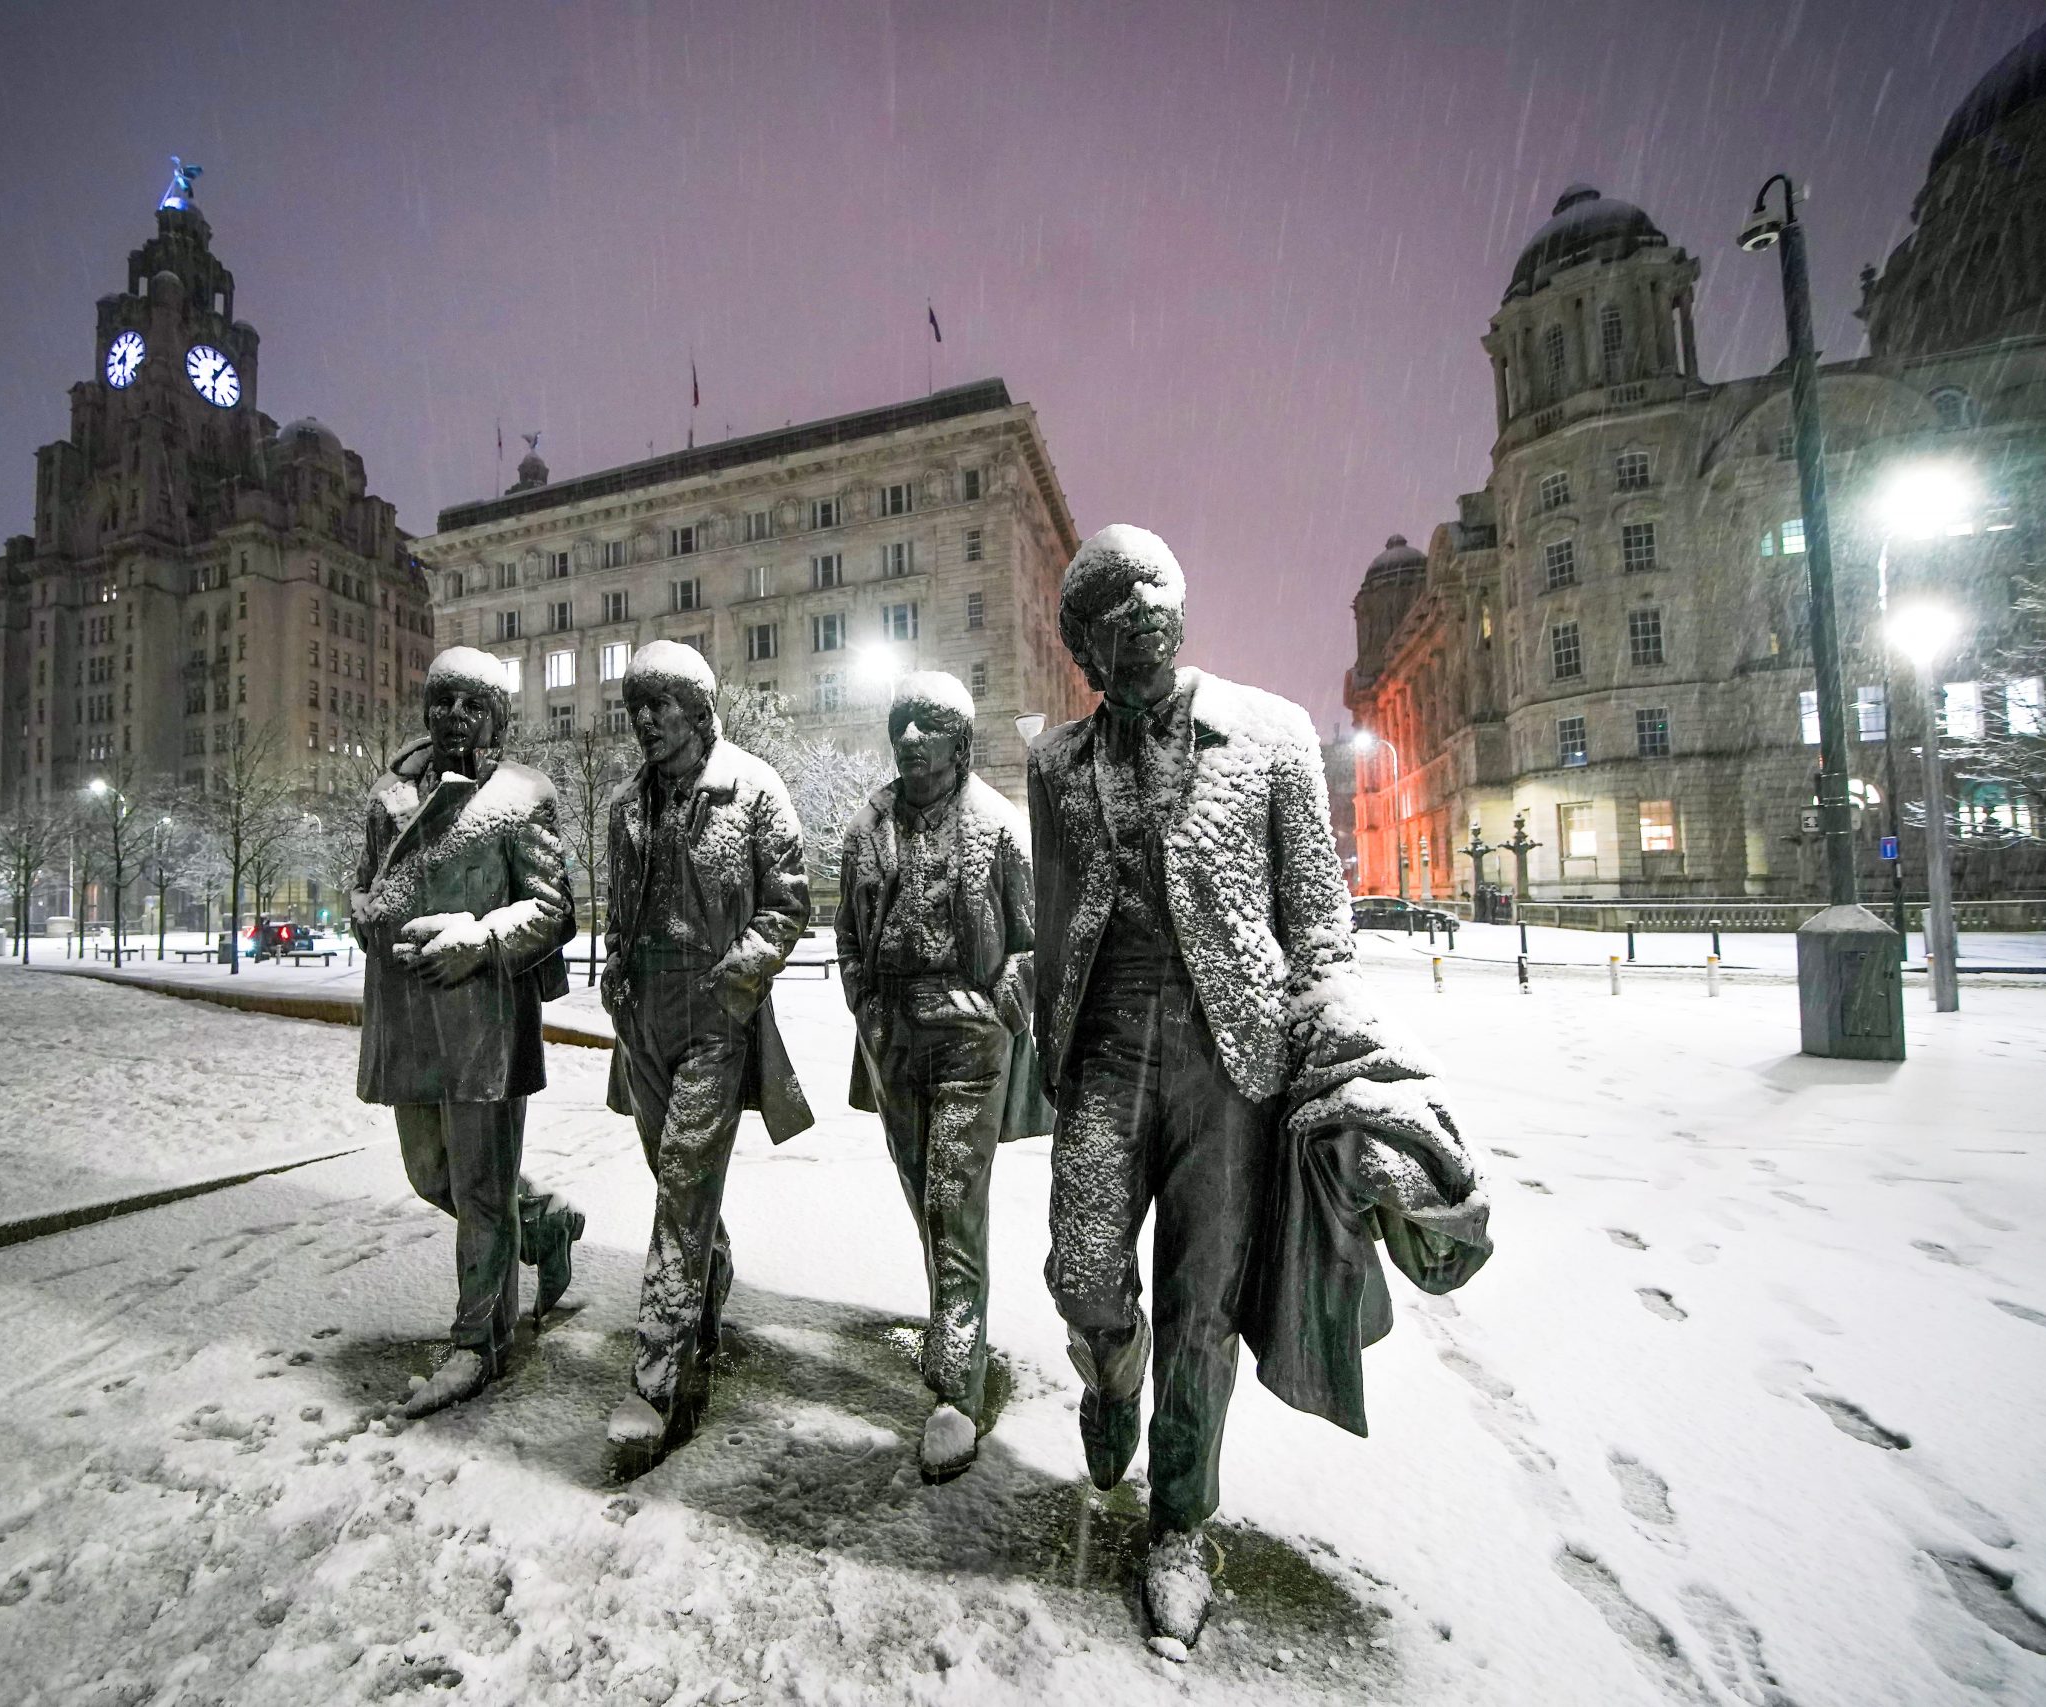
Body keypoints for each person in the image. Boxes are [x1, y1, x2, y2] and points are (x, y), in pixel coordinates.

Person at [1028, 525, 1490, 1652]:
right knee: (1085, 1269)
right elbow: (1054, 920)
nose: (1138, 643)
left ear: (1175, 616)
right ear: (1085, 651)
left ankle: (1180, 1523)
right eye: (1112, 632)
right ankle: (1107, 1372)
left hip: (1230, 1065)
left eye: (1152, 617)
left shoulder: (1274, 736)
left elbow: (1319, 931)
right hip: (1101, 1058)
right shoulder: (1053, 767)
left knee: (1204, 1310)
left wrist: (1346, 1056)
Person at [351, 647, 589, 1419]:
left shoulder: (523, 797)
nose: (454, 715)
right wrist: (365, 916)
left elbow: (554, 910)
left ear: (497, 718)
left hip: (484, 1017)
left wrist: (480, 939)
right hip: (406, 1015)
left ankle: (476, 1344)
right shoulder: (388, 794)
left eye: (471, 704)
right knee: (431, 1175)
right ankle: (546, 1226)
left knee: (483, 1192)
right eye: (442, 700)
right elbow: (368, 884)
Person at [835, 671, 1052, 1481]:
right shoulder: (867, 825)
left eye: (928, 724)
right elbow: (847, 933)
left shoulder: (999, 827)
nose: (912, 737)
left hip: (970, 1039)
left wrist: (1000, 1000)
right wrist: (864, 1000)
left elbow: (1034, 941)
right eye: (902, 724)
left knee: (952, 1201)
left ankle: (957, 1384)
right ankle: (955, 1323)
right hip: (893, 1035)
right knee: (926, 1195)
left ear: (960, 741)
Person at [600, 642, 813, 1459]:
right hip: (643, 1017)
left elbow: (788, 900)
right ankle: (708, 1276)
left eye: (660, 704)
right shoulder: (623, 804)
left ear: (697, 709)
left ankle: (655, 1379)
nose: (646, 721)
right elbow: (618, 905)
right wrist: (617, 961)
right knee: (675, 1181)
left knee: (683, 1182)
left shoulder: (753, 789)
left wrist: (744, 969)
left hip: (715, 1017)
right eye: (636, 707)